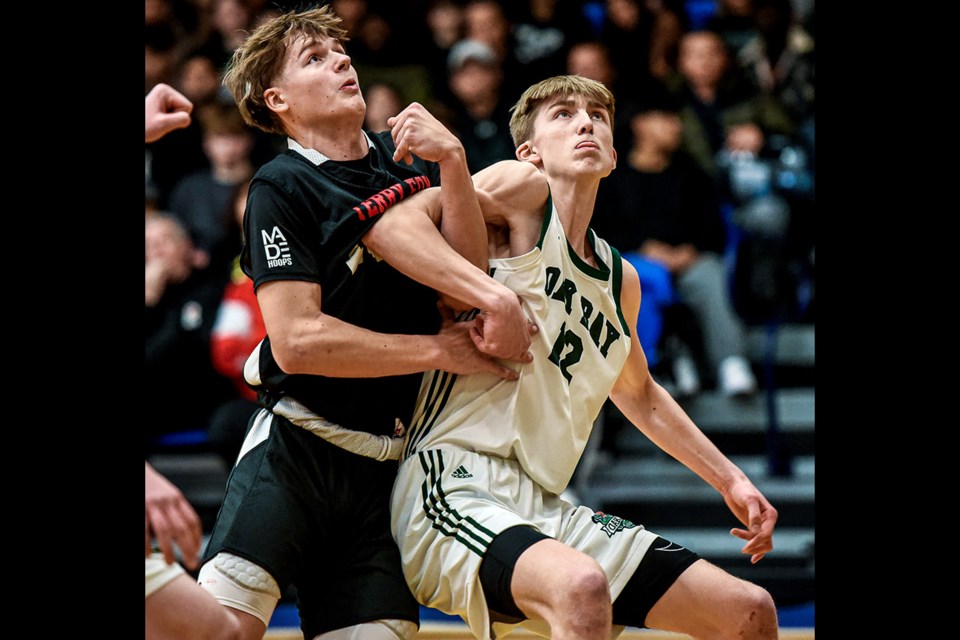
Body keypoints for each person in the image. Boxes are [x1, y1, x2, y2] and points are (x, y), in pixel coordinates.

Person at [384, 75, 779, 639]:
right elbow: (395, 227)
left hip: (543, 503)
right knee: (580, 586)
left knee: (750, 612)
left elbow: (638, 393)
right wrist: (493, 296)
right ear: (530, 150)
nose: (586, 121)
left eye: (597, 114)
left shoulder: (621, 280)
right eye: (564, 115)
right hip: (451, 479)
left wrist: (731, 480)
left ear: (615, 156)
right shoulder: (522, 190)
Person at [194, 6, 532, 640]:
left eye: (339, 51)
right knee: (221, 631)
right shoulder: (281, 184)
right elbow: (297, 342)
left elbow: (469, 280)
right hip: (298, 452)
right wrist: (437, 350)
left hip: (388, 473)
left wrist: (454, 163)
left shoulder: (404, 162)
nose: (341, 61)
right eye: (314, 59)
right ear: (279, 100)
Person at [145, 82, 242, 640]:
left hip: (204, 399)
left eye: (164, 243)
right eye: (147, 246)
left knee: (218, 632)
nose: (155, 255)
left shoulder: (210, 289)